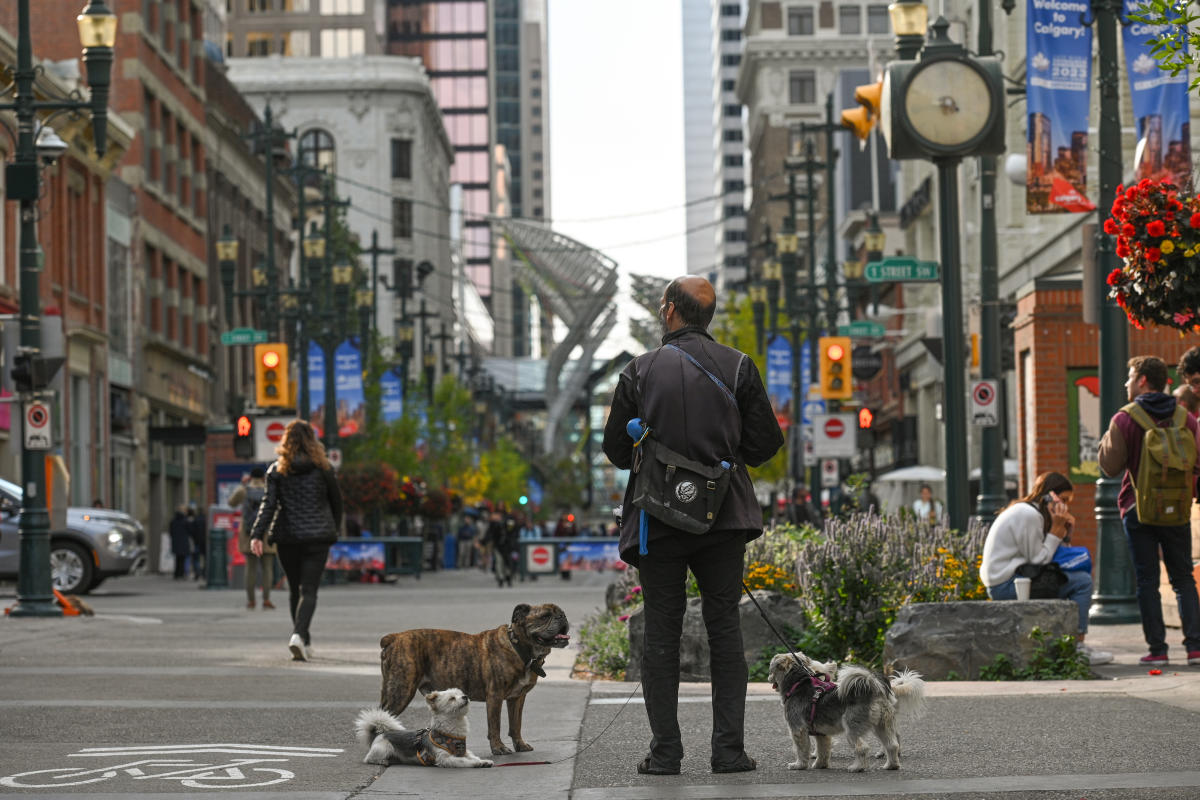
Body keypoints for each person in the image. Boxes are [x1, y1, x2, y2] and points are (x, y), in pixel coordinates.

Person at [601, 275, 784, 776]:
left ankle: (665, 754)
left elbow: (616, 451)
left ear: (668, 311)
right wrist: (719, 460)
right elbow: (766, 444)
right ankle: (728, 752)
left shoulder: (637, 372)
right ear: (709, 315)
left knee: (662, 631)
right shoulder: (740, 366)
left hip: (657, 522)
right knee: (725, 628)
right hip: (723, 517)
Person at [1098, 355, 1200, 666]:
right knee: (1183, 578)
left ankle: (1158, 650)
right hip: (1177, 509)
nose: (1125, 383)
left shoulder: (1126, 418)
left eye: (1129, 377)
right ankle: (1195, 648)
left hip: (1137, 509)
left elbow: (1110, 467)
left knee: (1147, 581)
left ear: (1143, 380)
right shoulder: (1187, 418)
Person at [978, 471, 1112, 665]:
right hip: (1007, 586)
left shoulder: (1030, 512)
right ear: (1051, 496)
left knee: (1075, 577)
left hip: (1014, 580)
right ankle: (1078, 647)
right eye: (1063, 500)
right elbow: (1039, 558)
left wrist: (1064, 533)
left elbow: (1053, 558)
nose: (1065, 507)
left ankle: (1068, 642)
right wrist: (1056, 531)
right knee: (1082, 582)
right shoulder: (1029, 515)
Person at [250, 419, 343, 662]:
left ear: (286, 441)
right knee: (309, 590)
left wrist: (256, 534)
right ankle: (300, 636)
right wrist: (334, 528)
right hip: (318, 537)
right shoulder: (324, 469)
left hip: (288, 537)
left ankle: (302, 639)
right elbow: (337, 502)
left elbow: (268, 505)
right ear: (313, 441)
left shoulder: (276, 471)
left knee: (294, 590)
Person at [229, 467, 276, 610]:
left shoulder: (244, 490)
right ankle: (266, 599)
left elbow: (231, 503)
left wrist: (242, 484)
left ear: (250, 477)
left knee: (250, 568)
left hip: (249, 534)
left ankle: (251, 601)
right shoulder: (270, 489)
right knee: (267, 568)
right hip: (266, 533)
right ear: (263, 477)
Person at [169, 506, 191, 580]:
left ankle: (177, 573)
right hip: (183, 542)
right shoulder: (185, 521)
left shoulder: (173, 521)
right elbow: (190, 531)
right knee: (182, 559)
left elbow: (171, 532)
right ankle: (181, 573)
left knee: (177, 558)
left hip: (176, 542)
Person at [187, 504, 206, 581]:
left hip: (197, 542)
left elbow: (191, 531)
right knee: (205, 558)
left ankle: (197, 573)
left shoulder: (195, 520)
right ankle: (204, 573)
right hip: (204, 542)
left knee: (196, 558)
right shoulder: (206, 520)